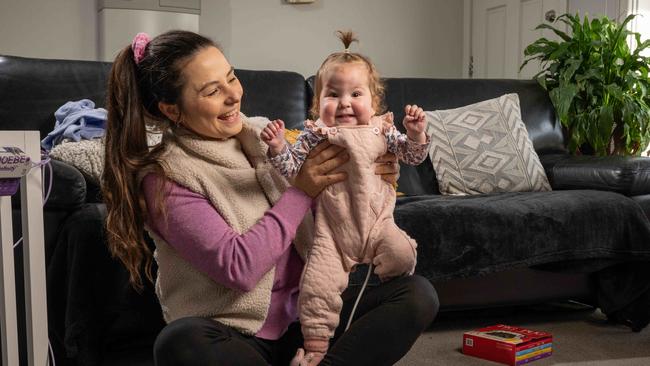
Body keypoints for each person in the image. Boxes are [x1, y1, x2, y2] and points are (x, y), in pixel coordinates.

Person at [101, 29, 439, 366]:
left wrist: (367, 175)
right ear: (172, 110)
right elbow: (239, 268)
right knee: (179, 341)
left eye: (231, 78)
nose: (233, 95)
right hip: (237, 333)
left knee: (416, 294)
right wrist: (302, 190)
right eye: (212, 91)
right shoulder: (165, 178)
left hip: (305, 319)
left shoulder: (262, 135)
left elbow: (330, 197)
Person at [260, 31, 430, 364]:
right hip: (332, 232)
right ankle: (316, 351)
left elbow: (412, 156)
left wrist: (416, 133)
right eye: (332, 95)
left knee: (400, 254)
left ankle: (388, 292)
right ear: (316, 103)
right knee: (316, 290)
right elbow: (293, 170)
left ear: (374, 102)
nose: (344, 103)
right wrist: (279, 147)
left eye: (355, 93)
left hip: (378, 222)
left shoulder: (383, 130)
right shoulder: (315, 135)